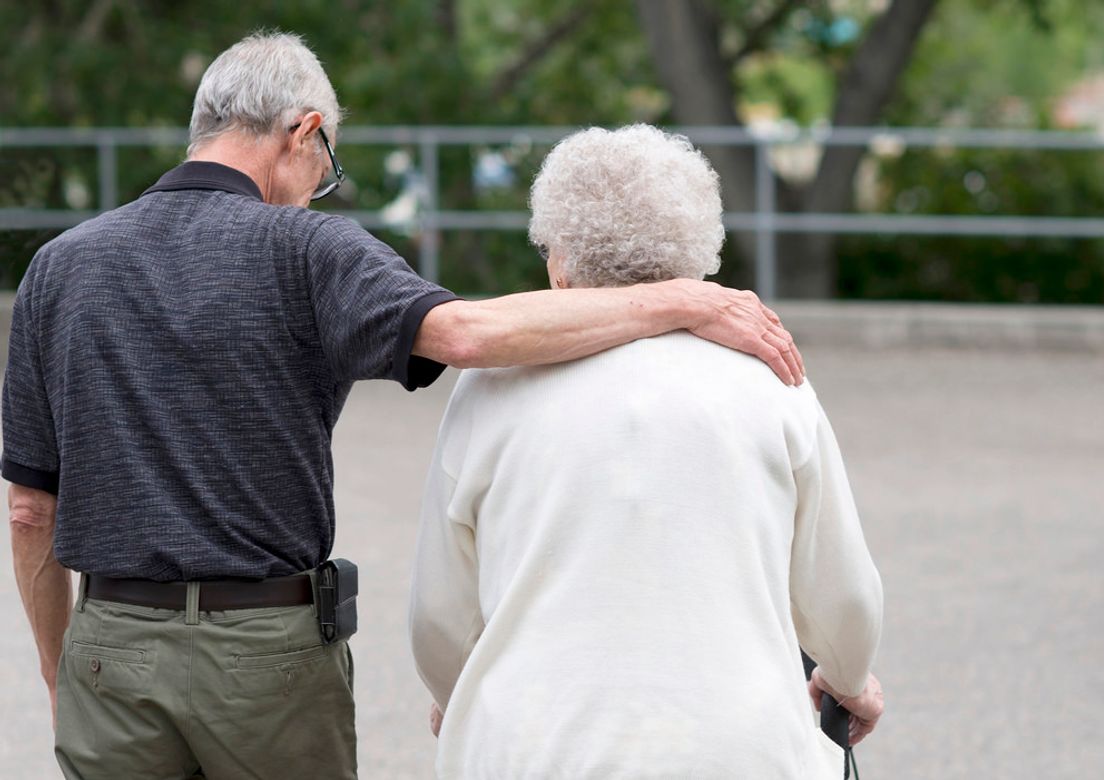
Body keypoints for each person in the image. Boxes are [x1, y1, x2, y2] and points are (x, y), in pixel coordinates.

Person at [2, 34, 803, 780]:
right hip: (263, 651)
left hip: (109, 647)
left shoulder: (60, 267)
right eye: (327, 165)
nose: (319, 189)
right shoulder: (309, 249)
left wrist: (62, 665)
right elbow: (467, 334)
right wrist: (681, 299)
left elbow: (32, 510)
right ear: (303, 131)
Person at [409, 124, 883, 778]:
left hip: (537, 746)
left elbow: (440, 614)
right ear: (700, 249)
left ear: (560, 261)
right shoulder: (771, 376)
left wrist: (455, 692)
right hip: (736, 748)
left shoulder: (490, 390)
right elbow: (842, 595)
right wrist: (849, 676)